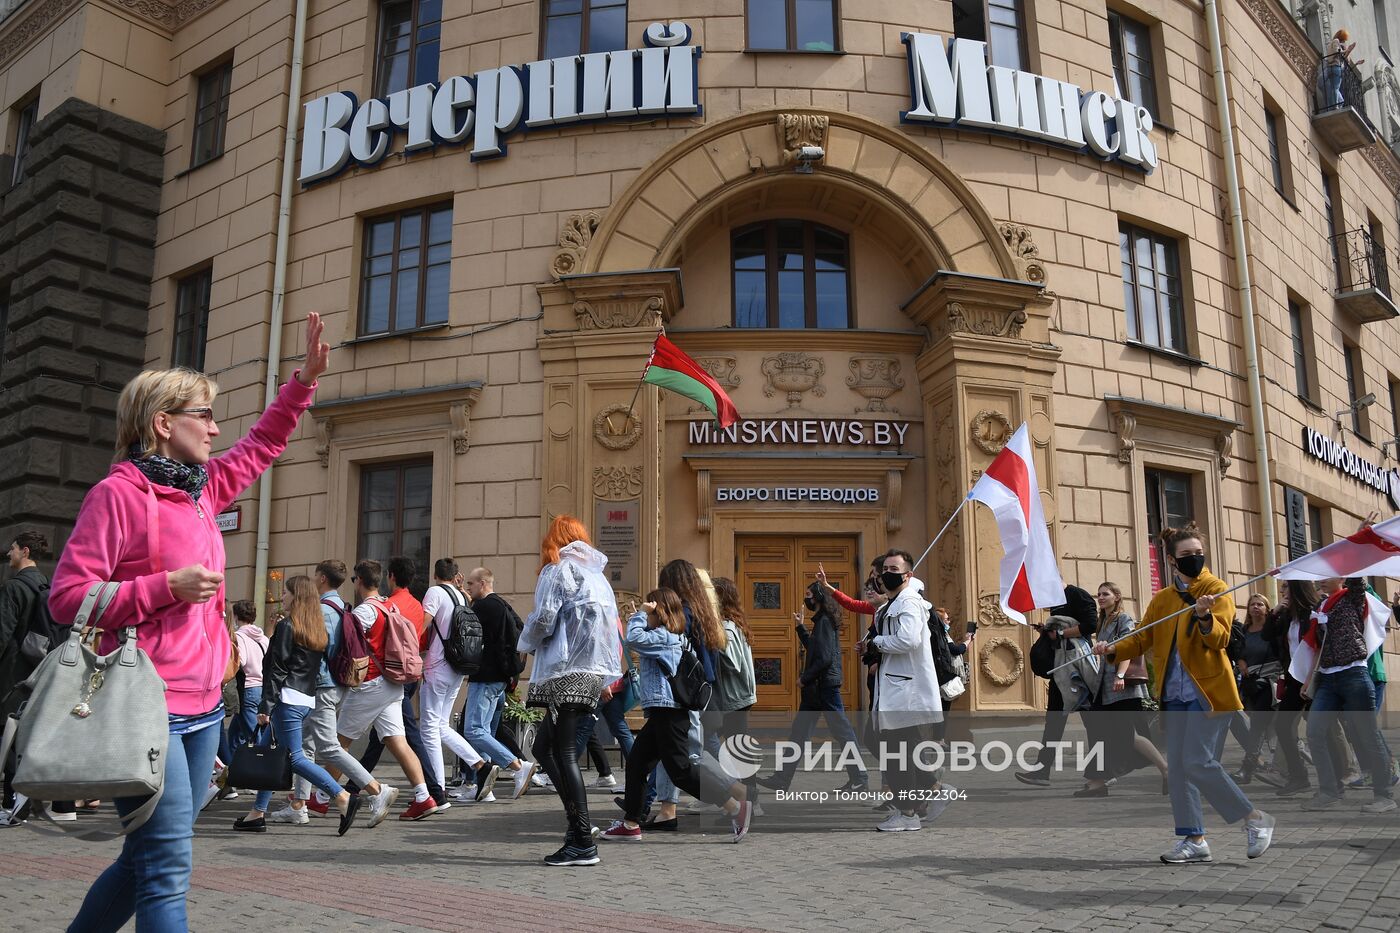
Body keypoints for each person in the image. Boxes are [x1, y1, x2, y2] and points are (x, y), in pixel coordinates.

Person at [50, 312, 329, 930]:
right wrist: (160, 587)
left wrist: (303, 382)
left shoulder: (200, 490)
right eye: (203, 414)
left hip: (206, 706)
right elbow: (67, 597)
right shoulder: (117, 496)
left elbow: (261, 446)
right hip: (142, 705)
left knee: (143, 860)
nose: (215, 426)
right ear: (162, 423)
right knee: (168, 867)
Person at [1093, 521, 1276, 863]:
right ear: (1172, 561)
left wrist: (1205, 616)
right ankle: (1195, 840)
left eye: (1198, 553)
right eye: (1186, 555)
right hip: (1173, 696)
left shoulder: (1215, 588)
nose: (1194, 559)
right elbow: (1142, 638)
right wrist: (1111, 649)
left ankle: (1255, 819)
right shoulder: (1163, 599)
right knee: (1177, 769)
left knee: (1198, 762)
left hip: (1209, 694)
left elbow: (1220, 639)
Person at [601, 589, 753, 843]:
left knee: (681, 771)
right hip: (663, 712)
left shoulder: (665, 636)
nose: (646, 612)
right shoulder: (665, 635)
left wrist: (640, 614)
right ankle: (630, 823)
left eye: (652, 608)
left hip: (670, 713)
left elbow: (633, 639)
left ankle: (735, 808)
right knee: (638, 763)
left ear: (660, 612)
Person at [519, 515, 623, 867]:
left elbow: (545, 618)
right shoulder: (596, 576)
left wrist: (524, 643)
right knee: (543, 746)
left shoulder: (559, 569)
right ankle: (578, 829)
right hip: (593, 670)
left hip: (567, 669)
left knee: (562, 752)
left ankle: (581, 840)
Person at [271, 560, 398, 827]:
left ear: (321, 578)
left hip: (322, 686)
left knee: (328, 746)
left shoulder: (321, 610)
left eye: (315, 575)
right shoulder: (343, 607)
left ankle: (376, 789)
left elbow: (316, 652)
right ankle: (298, 805)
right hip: (338, 685)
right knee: (305, 746)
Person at [233, 576, 360, 835]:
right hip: (304, 698)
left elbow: (277, 669)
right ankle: (257, 813)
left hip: (287, 699)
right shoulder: (314, 628)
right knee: (267, 752)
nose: (283, 597)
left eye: (287, 593)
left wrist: (265, 707)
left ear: (297, 596)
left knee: (295, 758)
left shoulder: (288, 627)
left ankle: (342, 796)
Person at [857, 549, 957, 832]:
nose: (887, 573)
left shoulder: (910, 603)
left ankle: (908, 813)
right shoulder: (894, 602)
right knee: (900, 748)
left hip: (905, 691)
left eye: (894, 569)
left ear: (908, 575)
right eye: (885, 568)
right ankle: (934, 790)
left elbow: (908, 640)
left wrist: (877, 643)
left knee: (896, 752)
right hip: (895, 688)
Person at [335, 559, 438, 822]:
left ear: (358, 580)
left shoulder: (363, 612)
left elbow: (348, 647)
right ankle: (423, 797)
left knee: (337, 745)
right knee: (399, 743)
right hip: (393, 683)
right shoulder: (389, 605)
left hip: (369, 684)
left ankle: (323, 797)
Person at [758, 579, 868, 792]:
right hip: (817, 689)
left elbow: (824, 659)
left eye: (808, 594)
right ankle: (781, 779)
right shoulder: (820, 621)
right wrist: (800, 627)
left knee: (843, 732)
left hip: (825, 687)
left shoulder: (825, 622)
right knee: (799, 733)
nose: (805, 598)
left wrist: (805, 678)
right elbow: (815, 650)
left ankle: (860, 778)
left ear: (817, 597)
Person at [1301, 578, 1396, 813]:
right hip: (1327, 678)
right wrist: (1307, 680)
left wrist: (1349, 559)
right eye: (1318, 577)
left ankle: (1384, 795)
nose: (1320, 581)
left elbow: (1357, 581)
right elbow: (1317, 647)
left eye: (1326, 575)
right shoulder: (1320, 607)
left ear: (1342, 577)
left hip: (1354, 674)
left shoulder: (1352, 597)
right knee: (1314, 732)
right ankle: (1329, 792)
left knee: (1367, 735)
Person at [419, 558, 501, 805]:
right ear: (456, 575)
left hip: (437, 664)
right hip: (457, 666)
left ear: (435, 575)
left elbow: (423, 625)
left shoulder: (434, 592)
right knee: (442, 726)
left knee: (428, 729)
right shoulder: (463, 596)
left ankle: (438, 788)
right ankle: (480, 764)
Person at [1075, 582, 1168, 797]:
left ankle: (1165, 769)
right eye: (1098, 594)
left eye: (1105, 594)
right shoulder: (1102, 621)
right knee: (1102, 732)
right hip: (1103, 686)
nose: (1100, 597)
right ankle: (1098, 780)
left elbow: (1129, 646)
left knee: (1128, 734)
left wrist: (1120, 675)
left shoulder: (1123, 619)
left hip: (1121, 685)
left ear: (1117, 596)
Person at [0, 531, 63, 825]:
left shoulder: (13, 588)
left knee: (8, 737)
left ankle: (13, 803)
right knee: (24, 738)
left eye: (12, 549)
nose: (8, 553)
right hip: (38, 670)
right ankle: (23, 800)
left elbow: (3, 632)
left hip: (11, 672)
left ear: (25, 551)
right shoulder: (45, 584)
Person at [459, 566, 538, 798]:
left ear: (483, 583)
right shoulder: (503, 605)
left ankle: (517, 766)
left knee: (473, 730)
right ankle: (485, 787)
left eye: (471, 584)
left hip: (485, 678)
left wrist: (466, 605)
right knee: (485, 733)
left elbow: (464, 631)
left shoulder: (483, 607)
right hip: (501, 680)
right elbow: (521, 631)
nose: (468, 589)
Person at [1016, 585, 1099, 787]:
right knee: (1054, 720)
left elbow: (1090, 625)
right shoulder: (1055, 600)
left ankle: (1102, 771)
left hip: (1077, 668)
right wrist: (1047, 631)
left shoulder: (1077, 594)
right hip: (1060, 667)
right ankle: (1041, 771)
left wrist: (1060, 634)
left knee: (1092, 722)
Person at [1264, 579, 1323, 796]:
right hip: (1294, 679)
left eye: (1286, 587)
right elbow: (1266, 635)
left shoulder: (1312, 613)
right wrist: (1275, 611)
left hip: (1316, 677)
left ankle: (1341, 777)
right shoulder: (1289, 617)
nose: (1282, 592)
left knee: (1324, 729)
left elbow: (1318, 648)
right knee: (1282, 725)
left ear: (1298, 588)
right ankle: (1299, 777)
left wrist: (1310, 679)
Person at [1229, 593, 1281, 786]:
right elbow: (1237, 651)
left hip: (1271, 682)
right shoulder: (1244, 630)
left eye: (1260, 604)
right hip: (1250, 684)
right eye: (1252, 604)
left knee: (1258, 725)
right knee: (1272, 728)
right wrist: (1241, 661)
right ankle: (1296, 762)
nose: (1256, 607)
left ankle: (1247, 769)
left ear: (1266, 608)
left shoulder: (1272, 629)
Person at [228, 599, 268, 750]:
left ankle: (261, 768)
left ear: (236, 616)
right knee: (234, 734)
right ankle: (233, 769)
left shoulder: (238, 637)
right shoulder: (263, 638)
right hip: (262, 689)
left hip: (247, 690)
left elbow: (241, 661)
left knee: (253, 736)